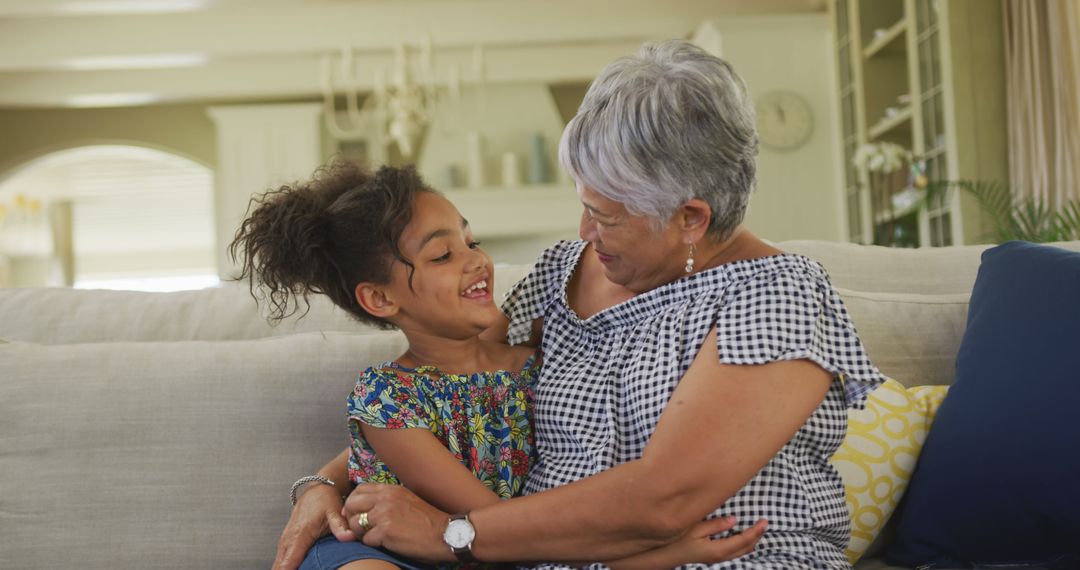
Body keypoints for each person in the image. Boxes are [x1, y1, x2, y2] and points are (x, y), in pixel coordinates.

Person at [275, 39, 885, 570]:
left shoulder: (776, 294)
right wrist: (322, 484)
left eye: (606, 216)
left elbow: (661, 501)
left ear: (690, 218)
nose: (584, 231)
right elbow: (450, 388)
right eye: (584, 204)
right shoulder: (563, 272)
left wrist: (452, 534)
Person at [234, 162, 766, 570]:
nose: (475, 261)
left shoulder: (536, 357)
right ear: (378, 299)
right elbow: (492, 526)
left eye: (472, 241)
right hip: (394, 550)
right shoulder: (386, 396)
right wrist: (650, 557)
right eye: (442, 257)